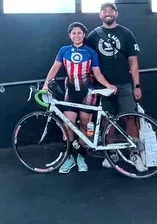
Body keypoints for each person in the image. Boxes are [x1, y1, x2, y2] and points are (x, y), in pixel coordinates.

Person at [43, 22, 117, 174]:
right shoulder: (64, 50)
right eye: (73, 33)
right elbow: (55, 68)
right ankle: (70, 157)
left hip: (88, 92)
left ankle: (81, 157)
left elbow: (97, 73)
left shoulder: (91, 52)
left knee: (84, 125)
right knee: (68, 124)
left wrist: (108, 85)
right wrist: (45, 85)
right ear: (69, 35)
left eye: (79, 33)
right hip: (70, 92)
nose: (76, 35)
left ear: (84, 35)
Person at [85, 2, 148, 172]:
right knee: (107, 120)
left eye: (111, 11)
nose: (108, 13)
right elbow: (87, 60)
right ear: (100, 15)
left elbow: (133, 62)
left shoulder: (126, 34)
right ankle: (111, 153)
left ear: (116, 14)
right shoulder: (93, 36)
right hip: (103, 86)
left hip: (124, 84)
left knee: (130, 118)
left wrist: (136, 86)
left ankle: (135, 154)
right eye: (104, 11)